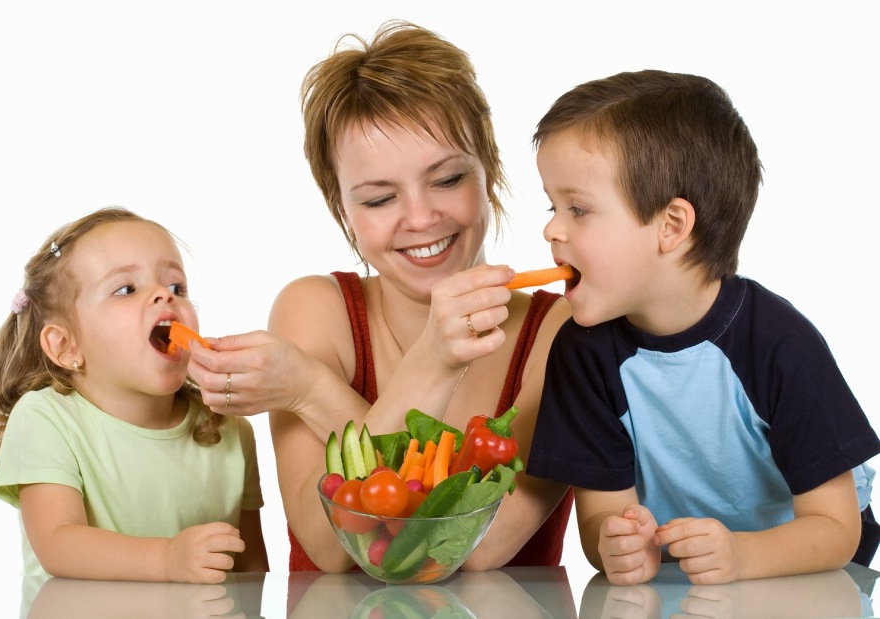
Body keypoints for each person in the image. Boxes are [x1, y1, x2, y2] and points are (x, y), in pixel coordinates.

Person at [186, 20, 574, 574]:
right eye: (379, 198)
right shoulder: (314, 310)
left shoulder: (563, 333)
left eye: (446, 180)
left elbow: (473, 548)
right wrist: (427, 363)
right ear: (342, 208)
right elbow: (331, 548)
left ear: (488, 170)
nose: (420, 218)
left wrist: (313, 391)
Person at [525, 69, 880, 586]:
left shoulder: (780, 345)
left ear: (672, 226)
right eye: (552, 206)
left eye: (578, 209)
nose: (551, 228)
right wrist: (618, 545)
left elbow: (836, 529)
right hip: (692, 579)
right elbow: (600, 519)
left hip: (816, 571)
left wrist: (741, 557)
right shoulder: (582, 353)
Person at [0, 206, 269, 583]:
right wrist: (166, 559)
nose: (164, 296)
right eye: (126, 289)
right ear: (65, 346)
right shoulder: (45, 418)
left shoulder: (229, 427)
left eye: (177, 287)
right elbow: (58, 545)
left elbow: (251, 569)